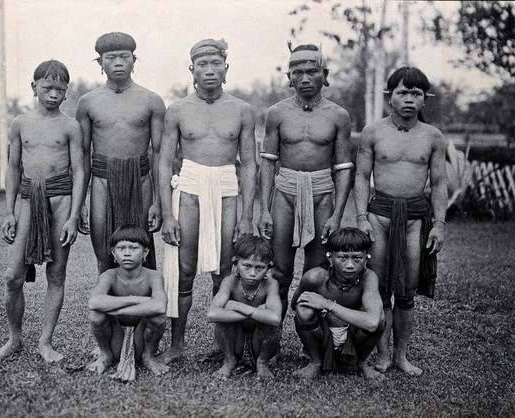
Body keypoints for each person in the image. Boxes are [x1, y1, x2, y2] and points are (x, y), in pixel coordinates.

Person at [159, 39, 257, 364]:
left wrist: (247, 216)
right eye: (202, 64)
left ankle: (225, 346)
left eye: (216, 64)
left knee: (224, 272)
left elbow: (250, 164)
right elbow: (163, 162)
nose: (210, 70)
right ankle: (177, 345)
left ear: (226, 69)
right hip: (189, 186)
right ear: (192, 70)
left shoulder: (242, 110)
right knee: (184, 270)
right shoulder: (177, 110)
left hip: (228, 186)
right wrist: (167, 216)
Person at [0, 60, 85, 363]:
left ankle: (45, 342)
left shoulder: (70, 126)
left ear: (66, 92)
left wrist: (73, 215)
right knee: (13, 275)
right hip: (29, 201)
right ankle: (14, 339)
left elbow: (80, 171)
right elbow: (14, 168)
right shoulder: (20, 123)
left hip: (61, 200)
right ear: (34, 88)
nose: (54, 94)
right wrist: (9, 212)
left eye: (60, 89)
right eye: (47, 87)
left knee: (56, 273)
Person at [354, 67, 447, 376]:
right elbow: (360, 177)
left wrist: (440, 225)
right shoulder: (373, 131)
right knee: (378, 286)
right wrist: (360, 218)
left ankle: (401, 356)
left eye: (416, 94)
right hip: (378, 215)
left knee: (406, 290)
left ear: (425, 99)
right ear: (389, 97)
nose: (409, 99)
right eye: (402, 93)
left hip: (415, 218)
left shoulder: (433, 136)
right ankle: (381, 354)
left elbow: (440, 182)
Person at [258, 44, 353, 324]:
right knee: (279, 270)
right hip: (286, 190)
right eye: (297, 72)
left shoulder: (339, 115)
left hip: (322, 191)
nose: (305, 78)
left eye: (312, 71)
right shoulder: (277, 113)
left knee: (317, 272)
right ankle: (271, 337)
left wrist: (337, 214)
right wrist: (264, 209)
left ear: (325, 74)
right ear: (289, 76)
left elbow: (344, 168)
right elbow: (268, 161)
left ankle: (310, 337)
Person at [76, 32, 166, 275]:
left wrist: (158, 202)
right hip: (102, 181)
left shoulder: (152, 101)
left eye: (124, 57)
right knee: (104, 252)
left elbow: (159, 154)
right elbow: (83, 156)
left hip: (141, 180)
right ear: (100, 62)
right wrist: (81, 203)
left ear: (134, 60)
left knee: (140, 249)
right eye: (111, 57)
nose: (118, 63)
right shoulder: (87, 102)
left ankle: (144, 311)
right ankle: (109, 312)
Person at [291, 228, 385, 380]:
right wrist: (323, 317)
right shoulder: (315, 277)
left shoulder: (369, 278)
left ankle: (361, 363)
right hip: (323, 333)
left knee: (379, 317)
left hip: (353, 334)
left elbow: (373, 322)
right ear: (330, 257)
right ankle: (315, 362)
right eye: (342, 257)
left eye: (357, 258)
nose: (350, 265)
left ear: (367, 258)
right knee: (304, 309)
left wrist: (327, 305)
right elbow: (295, 305)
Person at [86, 225, 169, 381]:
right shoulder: (108, 275)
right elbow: (94, 301)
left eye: (133, 248)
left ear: (145, 252)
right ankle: (105, 355)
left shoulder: (153, 276)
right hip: (114, 336)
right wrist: (135, 299)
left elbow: (159, 306)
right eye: (121, 248)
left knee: (158, 317)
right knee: (96, 315)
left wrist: (118, 311)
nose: (127, 253)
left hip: (141, 337)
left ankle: (148, 357)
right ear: (113, 253)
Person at [207, 235, 282, 379]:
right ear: (235, 263)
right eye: (247, 266)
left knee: (270, 324)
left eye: (260, 268)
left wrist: (236, 306)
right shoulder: (230, 282)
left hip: (260, 338)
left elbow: (275, 319)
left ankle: (262, 362)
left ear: (268, 267)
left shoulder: (271, 284)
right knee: (223, 319)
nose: (253, 273)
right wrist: (258, 312)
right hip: (236, 335)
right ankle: (229, 360)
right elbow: (212, 314)